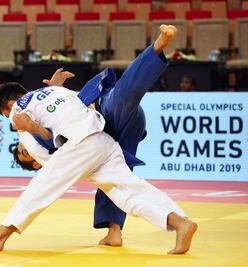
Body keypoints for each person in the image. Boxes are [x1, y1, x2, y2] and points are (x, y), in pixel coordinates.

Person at [0, 26, 197, 255]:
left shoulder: (18, 114)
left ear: (10, 106)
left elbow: (50, 162)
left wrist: (30, 128)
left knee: (41, 187)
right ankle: (180, 223)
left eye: (6, 115)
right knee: (126, 190)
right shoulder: (56, 91)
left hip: (83, 141)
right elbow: (79, 106)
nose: (11, 121)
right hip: (103, 136)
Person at [12, 23, 171, 246]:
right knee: (114, 179)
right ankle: (114, 231)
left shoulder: (32, 120)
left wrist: (55, 88)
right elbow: (52, 140)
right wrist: (33, 128)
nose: (24, 146)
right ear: (36, 164)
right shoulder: (50, 155)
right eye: (24, 153)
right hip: (110, 129)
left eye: (21, 148)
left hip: (104, 112)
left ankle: (156, 49)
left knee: (125, 95)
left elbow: (58, 109)